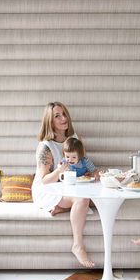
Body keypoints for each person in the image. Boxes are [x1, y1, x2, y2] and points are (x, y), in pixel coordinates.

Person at [32, 102, 95, 267]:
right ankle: (78, 246)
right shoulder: (45, 147)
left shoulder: (75, 139)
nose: (63, 118)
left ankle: (61, 208)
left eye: (64, 114)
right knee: (82, 200)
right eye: (57, 116)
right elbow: (44, 180)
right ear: (50, 121)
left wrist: (89, 172)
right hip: (48, 189)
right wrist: (60, 170)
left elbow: (82, 163)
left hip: (70, 185)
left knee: (97, 196)